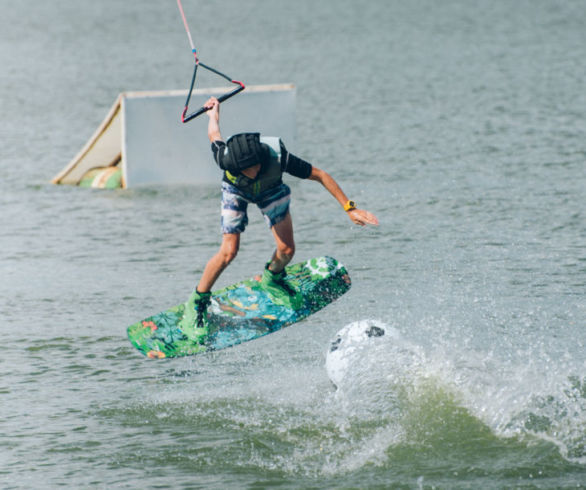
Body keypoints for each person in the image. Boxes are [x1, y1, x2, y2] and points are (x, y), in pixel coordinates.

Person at [180, 97, 379, 333]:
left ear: (259, 161)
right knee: (228, 252)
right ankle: (197, 302)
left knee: (287, 250)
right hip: (235, 192)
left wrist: (350, 208)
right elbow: (214, 134)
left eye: (248, 168)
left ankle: (273, 278)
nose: (244, 171)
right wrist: (213, 113)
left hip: (270, 189)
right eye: (239, 169)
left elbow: (321, 175)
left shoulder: (278, 156)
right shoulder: (226, 158)